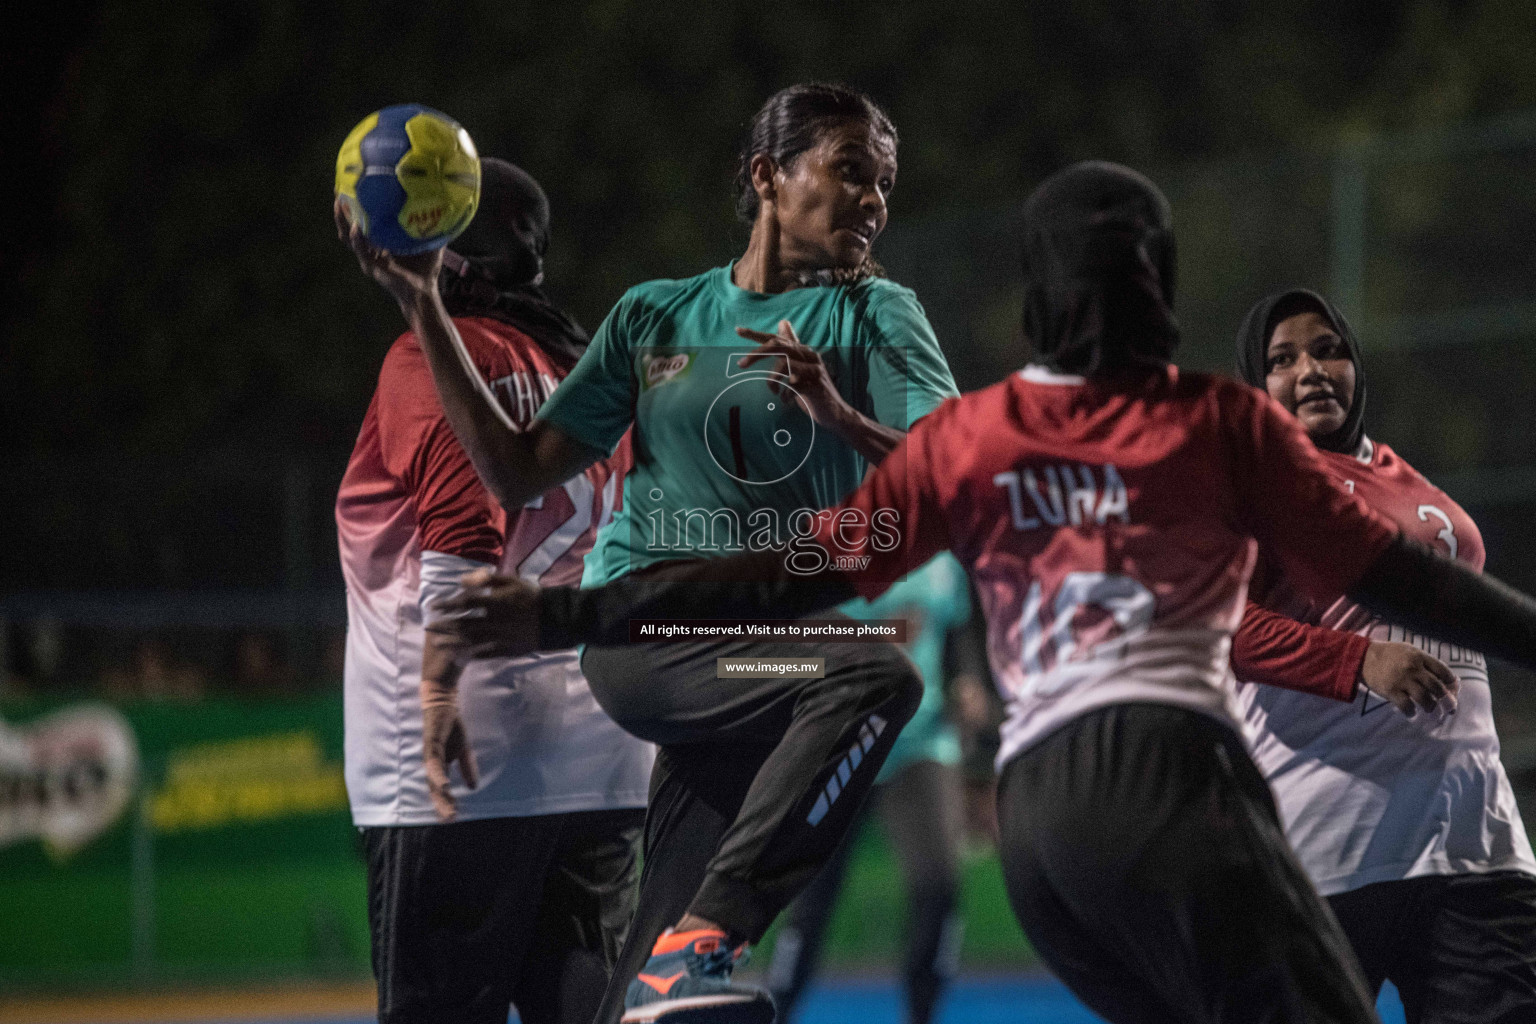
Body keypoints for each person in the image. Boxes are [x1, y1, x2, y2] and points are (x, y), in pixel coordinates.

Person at [431, 160, 1536, 1024]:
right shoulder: (1221, 421)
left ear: (1039, 303)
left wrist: (566, 612)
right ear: (1157, 287)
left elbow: (775, 579)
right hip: (1167, 782)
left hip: (1041, 833)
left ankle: (706, 930)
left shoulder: (976, 433)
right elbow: (1411, 583)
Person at [339, 83, 958, 1024]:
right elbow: (513, 472)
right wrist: (423, 302)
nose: (873, 200)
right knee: (874, 674)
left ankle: (676, 961)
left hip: (755, 660)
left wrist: (840, 416)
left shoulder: (878, 316)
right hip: (649, 634)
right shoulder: (653, 317)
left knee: (631, 999)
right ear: (766, 177)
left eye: (884, 183)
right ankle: (709, 937)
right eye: (849, 173)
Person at [334, 158, 655, 1024]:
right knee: (586, 1006)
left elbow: (461, 537)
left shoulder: (434, 358)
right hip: (604, 751)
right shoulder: (589, 374)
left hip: (468, 754)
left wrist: (438, 688)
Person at [1228, 288, 1536, 1023]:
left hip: (1476, 847)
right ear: (1254, 384)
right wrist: (1357, 661)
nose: (1310, 369)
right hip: (1330, 852)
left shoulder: (1417, 486)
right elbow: (1218, 624)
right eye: (1282, 360)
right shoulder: (1248, 487)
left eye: (1328, 348)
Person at [765, 552, 970, 1024]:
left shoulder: (939, 556)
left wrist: (966, 683)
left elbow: (956, 633)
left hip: (922, 742)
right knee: (812, 899)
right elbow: (786, 648)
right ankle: (780, 1008)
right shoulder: (826, 545)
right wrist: (882, 636)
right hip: (841, 742)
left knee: (939, 886)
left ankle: (923, 1014)